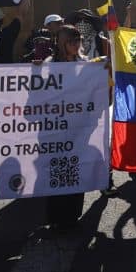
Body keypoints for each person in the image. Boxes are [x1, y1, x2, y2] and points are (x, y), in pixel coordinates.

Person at [43, 25, 89, 229]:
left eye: (78, 39)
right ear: (61, 43)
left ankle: (72, 215)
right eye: (71, 40)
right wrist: (36, 71)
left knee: (75, 170)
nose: (76, 44)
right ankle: (56, 217)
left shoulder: (85, 63)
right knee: (57, 171)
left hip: (79, 128)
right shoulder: (49, 64)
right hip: (56, 128)